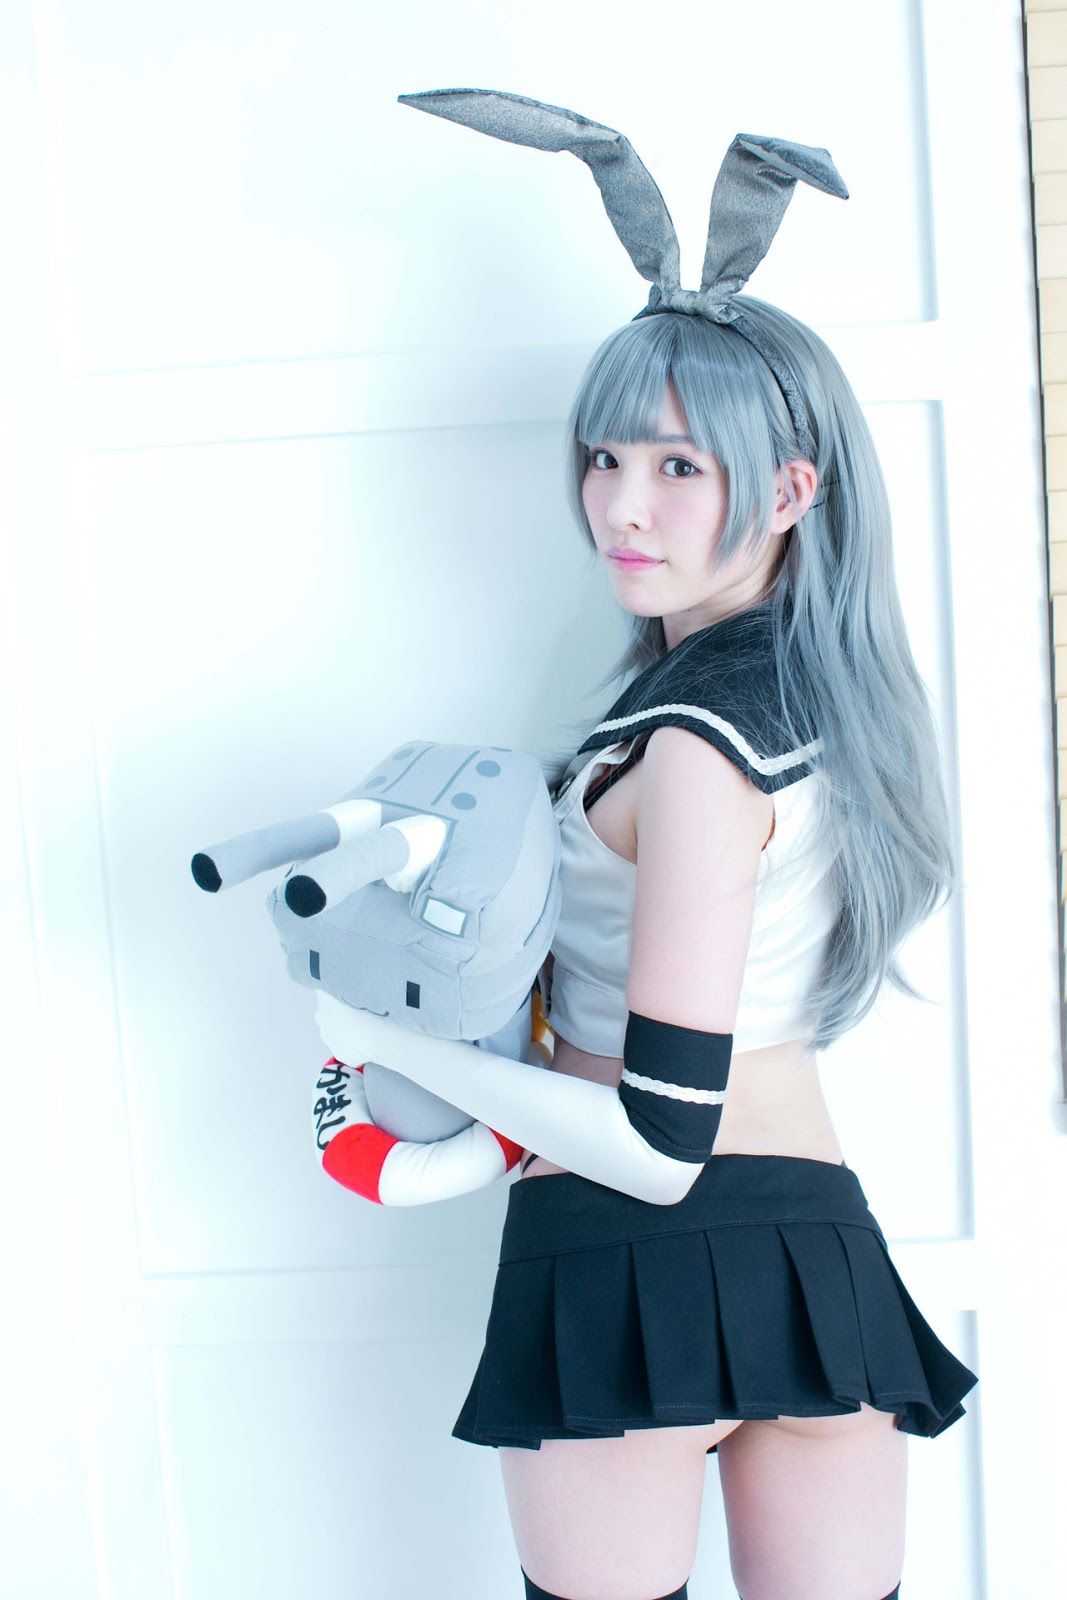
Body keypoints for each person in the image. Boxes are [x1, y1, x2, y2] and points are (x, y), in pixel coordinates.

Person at [314, 91, 979, 1600]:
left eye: (681, 468)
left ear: (792, 489)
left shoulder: (692, 743)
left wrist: (372, 1039)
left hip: (625, 1244)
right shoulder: (822, 701)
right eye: (607, 456)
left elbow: (662, 1144)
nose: (621, 505)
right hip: (815, 1249)